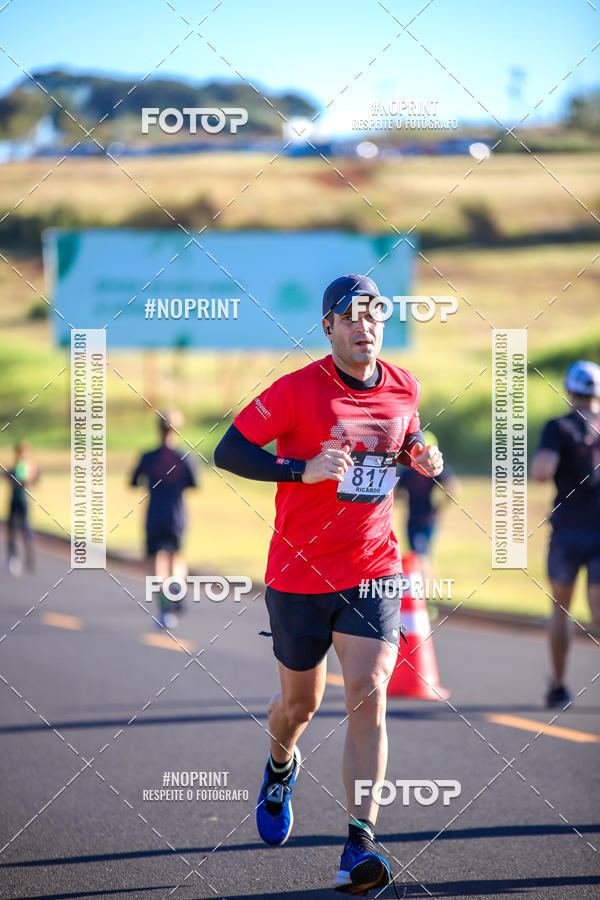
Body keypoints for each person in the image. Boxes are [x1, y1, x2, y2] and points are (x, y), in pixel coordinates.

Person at [214, 274, 443, 896]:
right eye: (351, 316)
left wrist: (422, 451)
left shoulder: (403, 386)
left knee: (369, 692)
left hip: (372, 568)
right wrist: (301, 468)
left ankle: (358, 846)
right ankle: (280, 762)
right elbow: (228, 451)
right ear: (328, 327)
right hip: (298, 574)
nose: (365, 324)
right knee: (300, 708)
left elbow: (406, 433)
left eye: (375, 313)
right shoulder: (295, 391)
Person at [531, 360, 600, 709]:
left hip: (569, 530)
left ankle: (558, 686)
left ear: (570, 390)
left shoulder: (558, 426)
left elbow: (541, 472)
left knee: (561, 608)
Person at [130, 409, 197, 629]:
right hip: (176, 516)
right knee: (176, 558)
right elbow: (193, 484)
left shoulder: (148, 457)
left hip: (154, 516)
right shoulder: (183, 457)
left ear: (157, 429)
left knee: (157, 564)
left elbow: (132, 481)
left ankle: (166, 611)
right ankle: (178, 587)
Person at [395, 430, 458, 580]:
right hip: (431, 518)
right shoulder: (435, 471)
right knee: (426, 557)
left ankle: (423, 598)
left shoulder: (408, 472)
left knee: (419, 558)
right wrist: (441, 508)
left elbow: (396, 495)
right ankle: (428, 597)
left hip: (414, 519)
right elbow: (454, 488)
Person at [6, 441, 38, 576]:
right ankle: (13, 557)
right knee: (12, 530)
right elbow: (9, 478)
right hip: (14, 501)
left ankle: (29, 557)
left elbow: (34, 481)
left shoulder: (28, 467)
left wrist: (29, 478)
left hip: (24, 502)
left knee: (25, 529)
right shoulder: (14, 468)